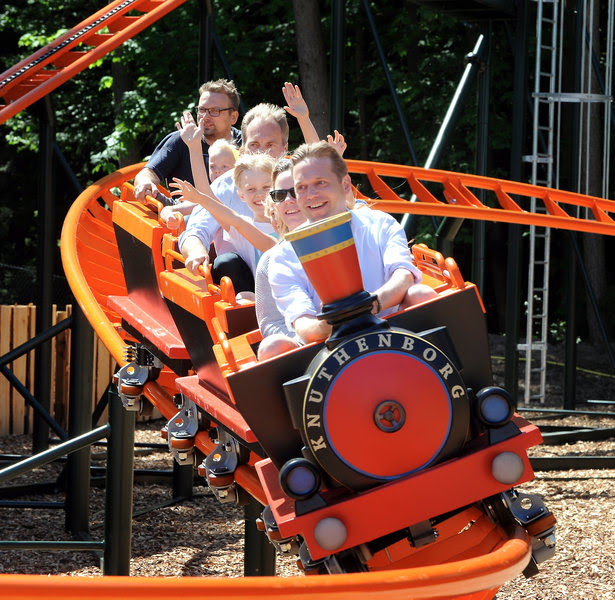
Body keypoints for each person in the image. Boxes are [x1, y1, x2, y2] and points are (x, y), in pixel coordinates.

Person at [268, 141, 437, 345]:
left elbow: (403, 275)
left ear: (345, 184)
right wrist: (338, 319)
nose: (311, 195)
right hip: (331, 346)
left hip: (391, 328)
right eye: (301, 188)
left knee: (422, 295)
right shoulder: (283, 257)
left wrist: (369, 307)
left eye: (320, 182)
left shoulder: (379, 223)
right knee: (272, 346)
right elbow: (305, 326)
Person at [177, 102, 290, 289]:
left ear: (285, 148)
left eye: (270, 145)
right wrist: (195, 149)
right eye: (254, 144)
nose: (262, 152)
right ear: (244, 148)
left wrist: (304, 119)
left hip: (290, 275)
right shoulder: (228, 185)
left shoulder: (295, 182)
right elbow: (202, 218)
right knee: (227, 263)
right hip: (247, 277)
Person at [170, 153, 277, 283]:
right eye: (251, 189)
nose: (260, 194)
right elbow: (208, 196)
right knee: (243, 296)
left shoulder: (294, 220)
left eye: (266, 187)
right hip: (266, 296)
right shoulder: (242, 227)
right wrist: (194, 147)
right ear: (241, 195)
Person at [133, 79, 241, 201]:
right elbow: (147, 174)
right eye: (202, 110)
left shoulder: (247, 143)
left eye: (214, 111)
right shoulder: (180, 140)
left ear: (233, 117)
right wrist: (145, 182)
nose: (205, 117)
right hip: (182, 218)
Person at [255, 158, 307, 360]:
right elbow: (270, 322)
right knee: (272, 347)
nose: (288, 201)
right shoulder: (271, 261)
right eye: (279, 195)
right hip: (305, 342)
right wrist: (306, 337)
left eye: (295, 191)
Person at [160, 137, 238, 228]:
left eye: (224, 166)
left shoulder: (240, 192)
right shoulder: (209, 193)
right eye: (213, 167)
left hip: (237, 238)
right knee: (188, 220)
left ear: (236, 169)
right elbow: (169, 209)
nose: (217, 170)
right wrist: (169, 215)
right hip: (207, 239)